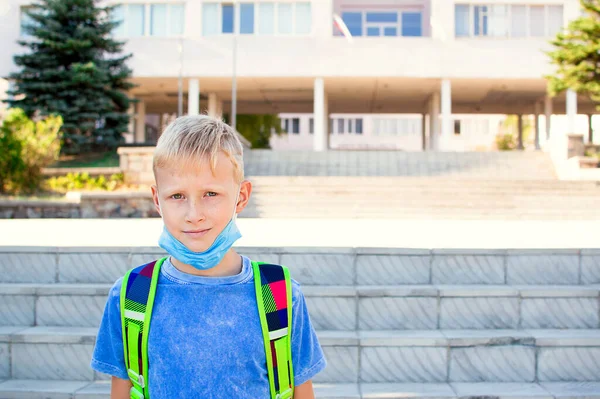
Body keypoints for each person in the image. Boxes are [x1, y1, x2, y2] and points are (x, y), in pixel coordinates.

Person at [90, 115, 326, 398]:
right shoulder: (131, 296)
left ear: (241, 196)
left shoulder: (279, 296)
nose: (194, 215)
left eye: (211, 193)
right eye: (177, 196)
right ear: (157, 200)